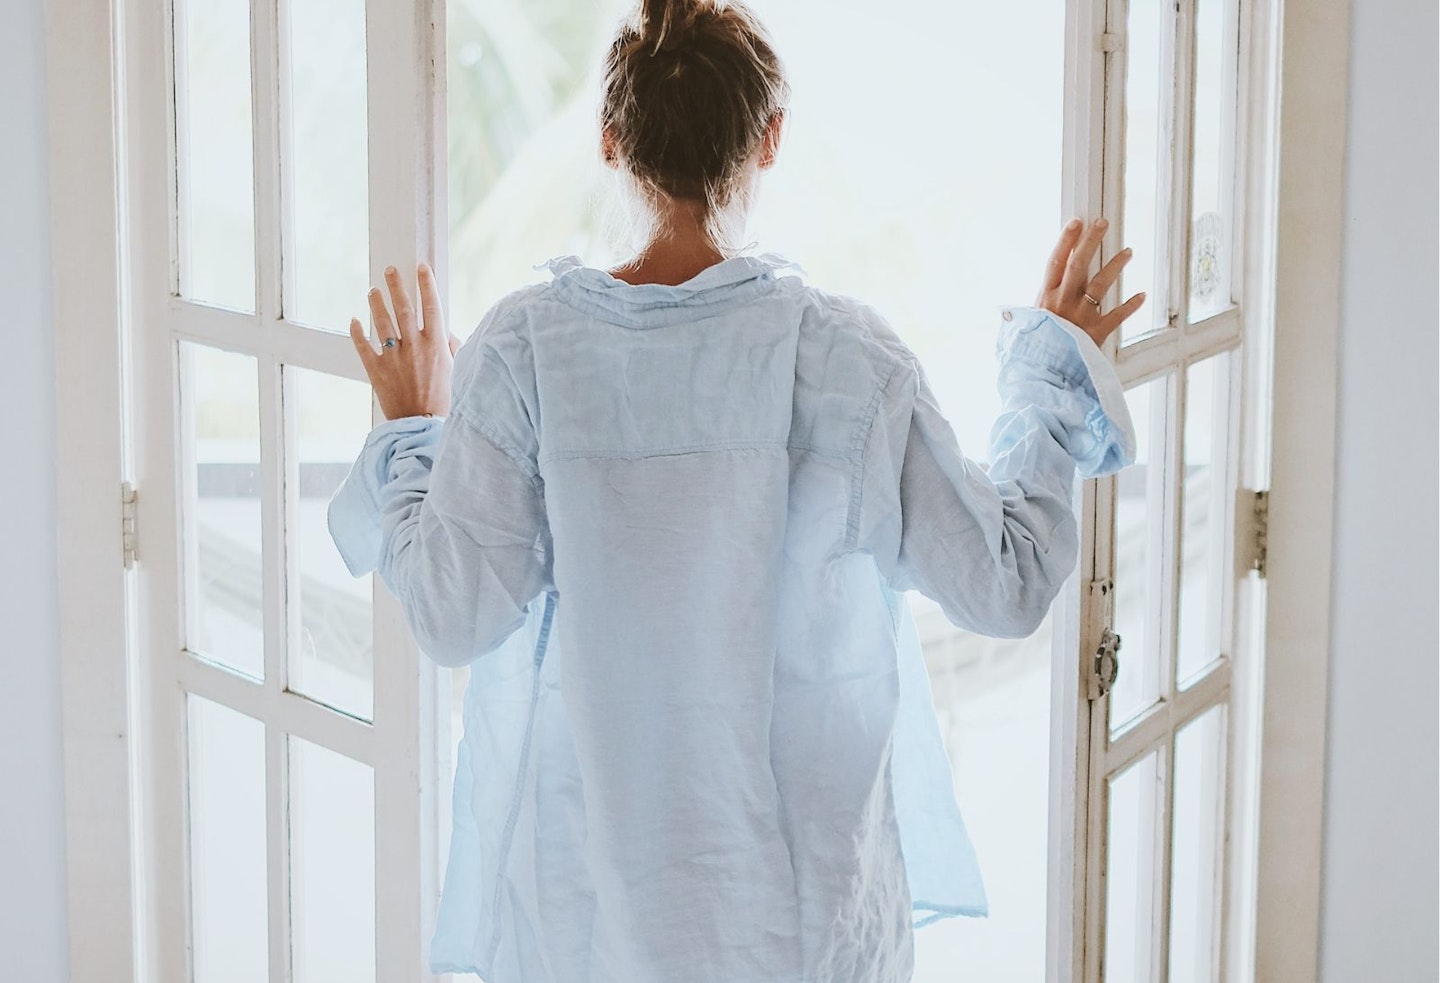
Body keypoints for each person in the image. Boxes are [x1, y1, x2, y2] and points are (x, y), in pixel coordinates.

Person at [327, 0, 1141, 980]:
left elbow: (454, 614)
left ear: (608, 138)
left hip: (594, 920)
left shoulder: (526, 351)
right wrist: (1052, 385)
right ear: (770, 140)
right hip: (802, 926)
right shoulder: (845, 357)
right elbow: (1002, 584)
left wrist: (416, 428)